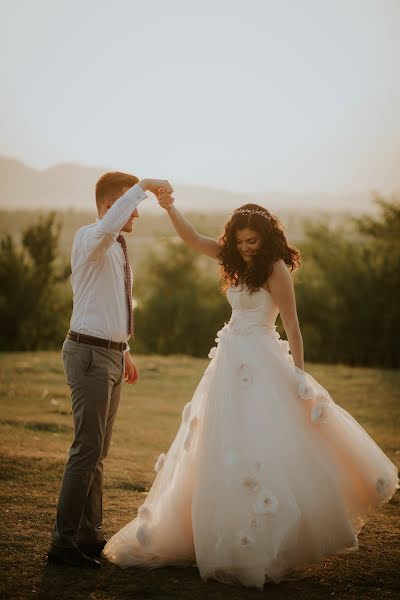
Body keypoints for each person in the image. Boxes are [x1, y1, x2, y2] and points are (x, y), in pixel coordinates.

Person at [103, 196, 399, 589]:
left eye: (251, 242)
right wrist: (169, 207)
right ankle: (218, 533)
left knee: (265, 445)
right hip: (227, 362)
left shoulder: (276, 270)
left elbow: (293, 327)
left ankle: (261, 543)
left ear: (266, 240)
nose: (244, 247)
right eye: (239, 240)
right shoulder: (232, 259)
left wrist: (300, 378)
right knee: (218, 442)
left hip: (263, 361)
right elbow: (191, 239)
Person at [47, 172, 173, 569]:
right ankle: (62, 544)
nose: (136, 214)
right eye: (130, 205)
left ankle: (89, 535)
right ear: (110, 206)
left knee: (98, 452)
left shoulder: (116, 246)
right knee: (86, 450)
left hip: (111, 355)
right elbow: (113, 220)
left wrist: (125, 350)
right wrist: (146, 185)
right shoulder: (92, 237)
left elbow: (109, 303)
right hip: (87, 354)